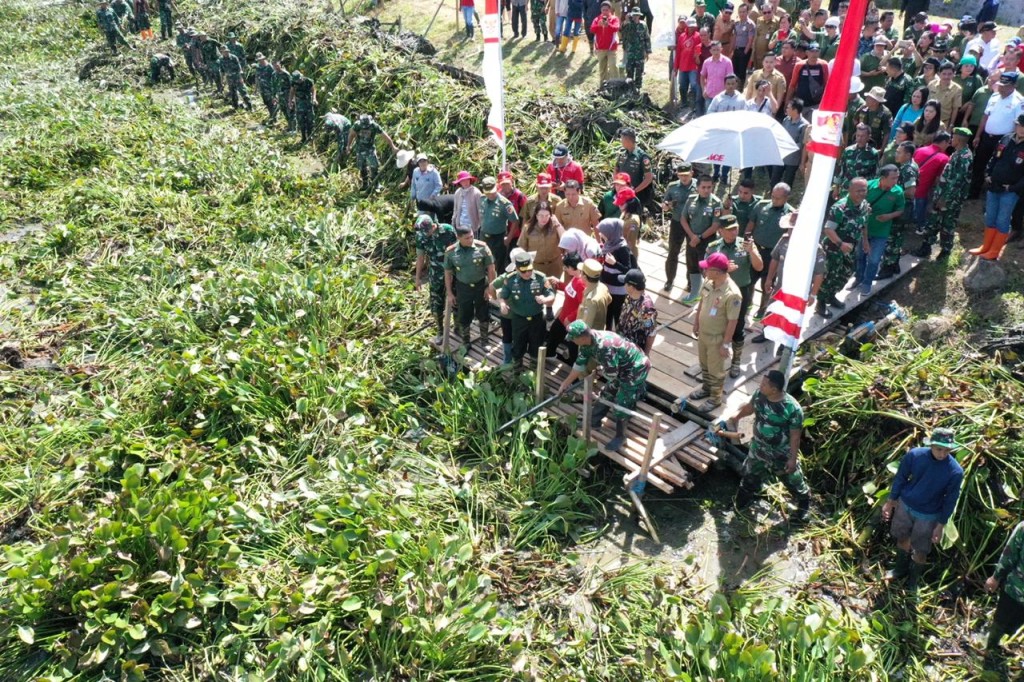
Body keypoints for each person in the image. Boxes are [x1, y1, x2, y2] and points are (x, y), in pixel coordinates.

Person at [881, 427, 964, 590]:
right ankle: (899, 570)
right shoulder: (915, 455)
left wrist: (940, 525)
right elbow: (901, 477)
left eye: (946, 450)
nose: (942, 454)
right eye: (939, 449)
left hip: (928, 514)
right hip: (906, 505)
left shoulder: (955, 471)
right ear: (931, 445)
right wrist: (891, 501)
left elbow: (951, 500)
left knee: (921, 549)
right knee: (902, 537)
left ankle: (913, 581)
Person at [725, 370, 810, 520]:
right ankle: (741, 504)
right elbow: (750, 407)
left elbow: (795, 437)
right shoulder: (760, 395)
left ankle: (803, 509)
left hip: (780, 453)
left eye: (764, 384)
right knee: (749, 475)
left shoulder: (792, 409)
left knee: (793, 481)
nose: (760, 386)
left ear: (774, 390)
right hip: (758, 447)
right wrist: (737, 417)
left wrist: (792, 459)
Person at [558, 321, 651, 452]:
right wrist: (565, 384)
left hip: (636, 368)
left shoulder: (604, 347)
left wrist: (601, 373)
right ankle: (594, 421)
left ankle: (621, 436)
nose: (571, 341)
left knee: (621, 401)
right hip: (619, 367)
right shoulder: (586, 344)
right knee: (607, 393)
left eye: (573, 338)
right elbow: (579, 364)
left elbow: (612, 374)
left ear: (582, 337)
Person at [704, 215, 762, 377]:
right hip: (719, 291)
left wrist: (751, 252)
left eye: (735, 228)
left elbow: (759, 267)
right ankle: (715, 358)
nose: (733, 232)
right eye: (729, 230)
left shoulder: (746, 245)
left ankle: (736, 361)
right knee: (717, 326)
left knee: (737, 327)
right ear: (720, 231)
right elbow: (705, 273)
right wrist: (723, 271)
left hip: (741, 292)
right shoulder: (713, 247)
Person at [688, 252, 742, 411]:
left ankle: (715, 398)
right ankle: (706, 388)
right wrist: (696, 322)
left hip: (717, 338)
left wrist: (725, 344)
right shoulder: (708, 282)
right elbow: (702, 302)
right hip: (703, 334)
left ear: (717, 272)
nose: (704, 271)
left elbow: (733, 321)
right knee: (704, 364)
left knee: (716, 370)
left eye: (708, 269)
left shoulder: (732, 294)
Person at [969, 114, 1024, 260]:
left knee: (1003, 220)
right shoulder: (1006, 138)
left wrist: (1012, 188)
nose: (1021, 129)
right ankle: (985, 246)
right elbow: (994, 157)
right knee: (990, 217)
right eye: (1020, 125)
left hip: (1010, 191)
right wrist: (987, 173)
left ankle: (994, 251)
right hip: (993, 186)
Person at [916, 127, 973, 259]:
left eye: (953, 138)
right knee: (933, 222)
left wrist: (944, 199)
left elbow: (956, 182)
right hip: (942, 196)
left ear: (958, 140)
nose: (951, 140)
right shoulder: (958, 153)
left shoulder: (964, 157)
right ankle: (926, 247)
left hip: (950, 199)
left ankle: (945, 251)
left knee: (947, 225)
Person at [817, 177, 869, 317]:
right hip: (834, 249)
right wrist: (840, 244)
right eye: (858, 191)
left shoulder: (864, 205)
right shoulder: (839, 208)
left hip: (851, 248)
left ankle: (831, 295)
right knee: (830, 275)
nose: (861, 193)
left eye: (864, 190)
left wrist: (865, 241)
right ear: (850, 190)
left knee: (846, 273)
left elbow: (864, 224)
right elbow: (828, 229)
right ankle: (820, 303)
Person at [498, 251, 555, 369]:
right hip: (519, 319)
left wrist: (545, 299)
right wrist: (502, 304)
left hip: (536, 318)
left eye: (529, 269)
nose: (527, 273)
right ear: (517, 269)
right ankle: (517, 369)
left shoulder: (540, 278)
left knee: (536, 344)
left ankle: (534, 370)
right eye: (524, 271)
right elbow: (502, 295)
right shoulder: (510, 280)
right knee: (518, 344)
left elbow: (551, 295)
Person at [971, 73, 1024, 200]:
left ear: (1014, 85)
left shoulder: (1019, 101)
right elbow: (985, 116)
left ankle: (993, 192)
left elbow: (1018, 124)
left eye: (1005, 86)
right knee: (979, 163)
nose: (1001, 88)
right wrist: (978, 135)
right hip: (986, 137)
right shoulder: (994, 96)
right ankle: (973, 192)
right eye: (1000, 85)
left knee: (998, 165)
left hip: (1003, 140)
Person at [746, 183, 794, 318]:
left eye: (778, 198)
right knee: (749, 279)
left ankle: (763, 308)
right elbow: (751, 224)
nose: (774, 200)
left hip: (773, 255)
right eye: (773, 196)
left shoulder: (790, 214)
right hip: (755, 249)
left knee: (767, 283)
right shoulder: (761, 205)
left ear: (786, 198)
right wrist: (747, 238)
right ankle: (748, 302)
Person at [855, 166, 905, 295]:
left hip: (881, 232)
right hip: (863, 229)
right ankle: (858, 278)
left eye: (897, 177)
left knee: (874, 260)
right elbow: (856, 201)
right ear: (883, 178)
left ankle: (867, 283)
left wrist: (889, 216)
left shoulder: (898, 192)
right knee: (860, 256)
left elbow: (900, 210)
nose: (896, 180)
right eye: (893, 178)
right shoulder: (869, 186)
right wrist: (864, 209)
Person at [444, 225, 497, 348]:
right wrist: (450, 293)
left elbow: (491, 268)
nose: (471, 240)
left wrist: (490, 287)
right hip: (463, 288)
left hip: (480, 286)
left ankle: (485, 340)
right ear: (459, 238)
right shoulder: (451, 252)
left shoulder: (482, 247)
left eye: (472, 236)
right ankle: (466, 342)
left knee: (483, 312)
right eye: (467, 238)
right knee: (464, 315)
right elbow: (447, 273)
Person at [877, 141, 919, 279]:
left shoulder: (908, 170)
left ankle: (887, 269)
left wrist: (893, 192)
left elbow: (911, 192)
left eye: (899, 152)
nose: (896, 154)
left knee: (891, 238)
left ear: (907, 154)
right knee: (896, 238)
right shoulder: (907, 166)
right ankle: (894, 265)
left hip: (901, 209)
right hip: (901, 208)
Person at [414, 214, 458, 344]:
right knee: (436, 304)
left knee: (456, 299)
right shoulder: (421, 237)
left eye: (426, 232)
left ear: (433, 226)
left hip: (452, 272)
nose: (425, 235)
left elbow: (457, 251)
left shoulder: (448, 230)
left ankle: (458, 327)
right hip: (435, 274)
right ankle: (440, 331)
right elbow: (420, 258)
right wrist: (418, 278)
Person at [518, 203, 566, 318]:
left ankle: (549, 308)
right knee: (536, 288)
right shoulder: (527, 228)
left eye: (547, 215)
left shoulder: (555, 227)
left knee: (552, 288)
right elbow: (522, 247)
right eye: (541, 215)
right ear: (536, 215)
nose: (544, 218)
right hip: (536, 265)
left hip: (554, 264)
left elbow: (565, 239)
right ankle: (535, 309)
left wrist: (557, 224)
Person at [681, 174, 723, 304]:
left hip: (707, 242)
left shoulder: (716, 203)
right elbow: (683, 219)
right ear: (697, 187)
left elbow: (715, 225)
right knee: (692, 266)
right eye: (703, 187)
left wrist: (699, 237)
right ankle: (694, 293)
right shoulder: (691, 199)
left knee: (707, 270)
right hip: (691, 239)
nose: (706, 190)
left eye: (709, 187)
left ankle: (707, 297)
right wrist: (692, 236)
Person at [984, 521, 1024, 656]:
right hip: (1013, 590)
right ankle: (989, 649)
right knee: (1000, 622)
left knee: (1014, 627)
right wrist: (995, 578)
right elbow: (1009, 555)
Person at [662, 163, 697, 292]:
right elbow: (665, 204)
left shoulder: (699, 186)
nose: (684, 178)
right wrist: (667, 206)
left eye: (686, 175)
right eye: (681, 175)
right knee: (672, 253)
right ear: (677, 175)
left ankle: (690, 282)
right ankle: (669, 280)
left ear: (692, 173)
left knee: (691, 254)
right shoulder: (672, 187)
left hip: (693, 224)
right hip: (677, 223)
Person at [546, 254, 587, 364]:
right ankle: (549, 355)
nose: (565, 269)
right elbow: (570, 291)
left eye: (566, 267)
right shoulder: (575, 278)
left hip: (572, 323)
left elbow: (583, 305)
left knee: (573, 349)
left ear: (572, 268)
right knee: (553, 335)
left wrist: (570, 318)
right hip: (563, 318)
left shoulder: (581, 284)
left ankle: (576, 376)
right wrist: (558, 285)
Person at [707, 75, 747, 182]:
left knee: (728, 154)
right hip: (719, 131)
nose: (730, 86)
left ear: (736, 84)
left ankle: (724, 175)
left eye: (733, 84)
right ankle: (716, 172)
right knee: (717, 153)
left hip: (733, 132)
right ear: (724, 84)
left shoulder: (741, 99)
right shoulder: (718, 98)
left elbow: (745, 115)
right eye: (728, 84)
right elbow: (710, 112)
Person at [910, 130, 950, 236]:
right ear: (944, 142)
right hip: (923, 188)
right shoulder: (944, 158)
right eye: (948, 143)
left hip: (910, 185)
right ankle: (920, 227)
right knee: (921, 208)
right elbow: (939, 178)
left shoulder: (920, 150)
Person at [597, 218, 634, 329]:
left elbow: (628, 269)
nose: (600, 234)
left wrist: (614, 263)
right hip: (607, 286)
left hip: (618, 290)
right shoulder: (609, 243)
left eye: (603, 232)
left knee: (616, 316)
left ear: (611, 233)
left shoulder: (622, 249)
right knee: (607, 314)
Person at [478, 176, 519, 272]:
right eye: (488, 193)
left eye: (492, 192)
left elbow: (515, 221)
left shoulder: (504, 203)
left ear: (497, 187)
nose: (490, 195)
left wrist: (508, 238)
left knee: (499, 264)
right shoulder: (482, 199)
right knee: (484, 262)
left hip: (498, 238)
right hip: (484, 235)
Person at [346, 114, 397, 191]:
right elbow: (351, 134)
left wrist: (393, 146)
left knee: (374, 166)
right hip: (360, 150)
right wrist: (348, 146)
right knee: (362, 167)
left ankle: (376, 184)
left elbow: (385, 136)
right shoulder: (357, 125)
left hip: (370, 149)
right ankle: (365, 184)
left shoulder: (374, 125)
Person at [614, 128, 655, 215]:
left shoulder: (642, 157)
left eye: (622, 139)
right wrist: (616, 185)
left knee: (633, 219)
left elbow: (648, 178)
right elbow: (616, 169)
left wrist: (635, 191)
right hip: (620, 193)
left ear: (627, 140)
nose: (621, 141)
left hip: (635, 195)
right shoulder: (622, 154)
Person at [617, 269, 658, 354]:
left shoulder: (646, 309)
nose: (624, 285)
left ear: (631, 287)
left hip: (633, 352)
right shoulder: (630, 296)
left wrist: (645, 354)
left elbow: (651, 333)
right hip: (621, 344)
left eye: (626, 283)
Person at [834, 124, 880, 198]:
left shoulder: (873, 153)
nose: (859, 138)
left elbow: (876, 174)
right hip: (846, 189)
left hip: (862, 191)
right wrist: (836, 188)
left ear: (868, 137)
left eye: (862, 136)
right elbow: (841, 170)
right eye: (858, 135)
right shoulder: (848, 151)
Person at [774, 98, 809, 186]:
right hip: (781, 156)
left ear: (795, 110)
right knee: (774, 179)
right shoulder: (786, 120)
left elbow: (802, 144)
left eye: (788, 108)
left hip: (793, 160)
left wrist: (802, 162)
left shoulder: (804, 125)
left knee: (787, 183)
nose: (786, 109)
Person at [787, 41, 829, 113]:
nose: (814, 54)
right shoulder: (799, 65)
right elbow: (792, 85)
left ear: (819, 52)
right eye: (812, 51)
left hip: (816, 104)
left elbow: (827, 85)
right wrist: (787, 101)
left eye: (816, 51)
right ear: (807, 53)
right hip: (800, 104)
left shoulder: (823, 65)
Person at [675, 16, 704, 115]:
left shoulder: (698, 36)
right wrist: (675, 67)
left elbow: (701, 48)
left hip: (693, 67)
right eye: (690, 26)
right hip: (683, 66)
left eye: (693, 26)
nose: (691, 28)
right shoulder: (682, 36)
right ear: (686, 26)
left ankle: (697, 104)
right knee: (682, 86)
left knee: (694, 85)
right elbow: (678, 52)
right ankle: (684, 103)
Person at [620, 8, 651, 88]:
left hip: (640, 53)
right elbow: (621, 31)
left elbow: (647, 38)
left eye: (637, 15)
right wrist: (626, 21)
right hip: (630, 53)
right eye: (634, 15)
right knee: (629, 72)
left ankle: (637, 89)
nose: (635, 17)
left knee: (639, 73)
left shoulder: (643, 25)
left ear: (639, 16)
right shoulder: (628, 24)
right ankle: (629, 89)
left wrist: (647, 51)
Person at [591, 1, 621, 83]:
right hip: (600, 48)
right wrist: (598, 25)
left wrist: (609, 25)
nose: (605, 12)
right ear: (601, 10)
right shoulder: (597, 19)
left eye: (606, 10)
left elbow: (616, 28)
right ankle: (603, 87)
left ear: (610, 10)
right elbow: (592, 29)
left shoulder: (614, 19)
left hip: (612, 48)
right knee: (602, 69)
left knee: (613, 66)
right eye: (603, 10)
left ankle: (616, 86)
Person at [701, 41, 733, 111]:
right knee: (709, 117)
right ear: (710, 51)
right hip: (709, 95)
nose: (716, 52)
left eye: (718, 50)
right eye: (714, 50)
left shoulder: (727, 62)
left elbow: (731, 79)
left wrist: (728, 93)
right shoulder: (706, 62)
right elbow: (702, 76)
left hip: (723, 96)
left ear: (721, 49)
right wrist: (704, 89)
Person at [220, 46, 253, 113]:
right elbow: (222, 71)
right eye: (224, 52)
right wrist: (222, 80)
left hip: (237, 77)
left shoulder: (234, 57)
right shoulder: (221, 60)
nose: (226, 53)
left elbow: (239, 68)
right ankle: (236, 107)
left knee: (243, 92)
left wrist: (241, 78)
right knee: (233, 93)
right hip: (229, 79)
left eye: (227, 51)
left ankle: (250, 107)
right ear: (222, 52)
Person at [931, 61, 963, 130]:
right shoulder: (931, 84)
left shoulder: (957, 89)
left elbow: (955, 109)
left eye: (949, 74)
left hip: (943, 123)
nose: (946, 76)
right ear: (939, 74)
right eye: (944, 74)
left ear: (954, 74)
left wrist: (950, 126)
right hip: (927, 120)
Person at [614, 187, 643, 259]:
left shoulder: (633, 221)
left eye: (622, 203)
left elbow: (630, 243)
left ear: (630, 203)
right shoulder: (624, 213)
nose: (619, 205)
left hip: (627, 254)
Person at [731, 2, 756, 85]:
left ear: (747, 12)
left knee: (742, 72)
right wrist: (733, 49)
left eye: (744, 11)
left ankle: (740, 88)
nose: (742, 14)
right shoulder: (737, 23)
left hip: (744, 50)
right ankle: (734, 87)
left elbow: (750, 40)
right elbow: (735, 36)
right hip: (736, 49)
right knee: (734, 70)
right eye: (740, 12)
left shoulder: (750, 24)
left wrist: (745, 52)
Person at [452, 171, 482, 235]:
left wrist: (481, 225)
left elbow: (480, 210)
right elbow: (455, 209)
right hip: (460, 224)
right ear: (460, 182)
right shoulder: (458, 192)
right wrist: (453, 221)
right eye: (463, 180)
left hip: (472, 225)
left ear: (470, 180)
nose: (466, 182)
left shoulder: (476, 193)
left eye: (467, 180)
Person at [254, 53, 277, 122]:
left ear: (264, 59)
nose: (260, 61)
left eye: (261, 59)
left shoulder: (269, 66)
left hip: (269, 88)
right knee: (266, 102)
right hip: (262, 88)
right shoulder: (258, 67)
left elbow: (274, 77)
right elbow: (257, 77)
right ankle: (271, 115)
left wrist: (275, 88)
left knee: (272, 102)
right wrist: (256, 88)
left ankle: (274, 117)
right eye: (259, 60)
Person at [272, 61, 294, 132]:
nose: (276, 67)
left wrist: (292, 98)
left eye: (277, 66)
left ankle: (293, 128)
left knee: (290, 112)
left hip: (287, 96)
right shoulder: (274, 75)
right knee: (284, 111)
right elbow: (273, 86)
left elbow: (292, 86)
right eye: (274, 66)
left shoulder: (286, 74)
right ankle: (289, 126)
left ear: (280, 65)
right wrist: (274, 97)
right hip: (280, 97)